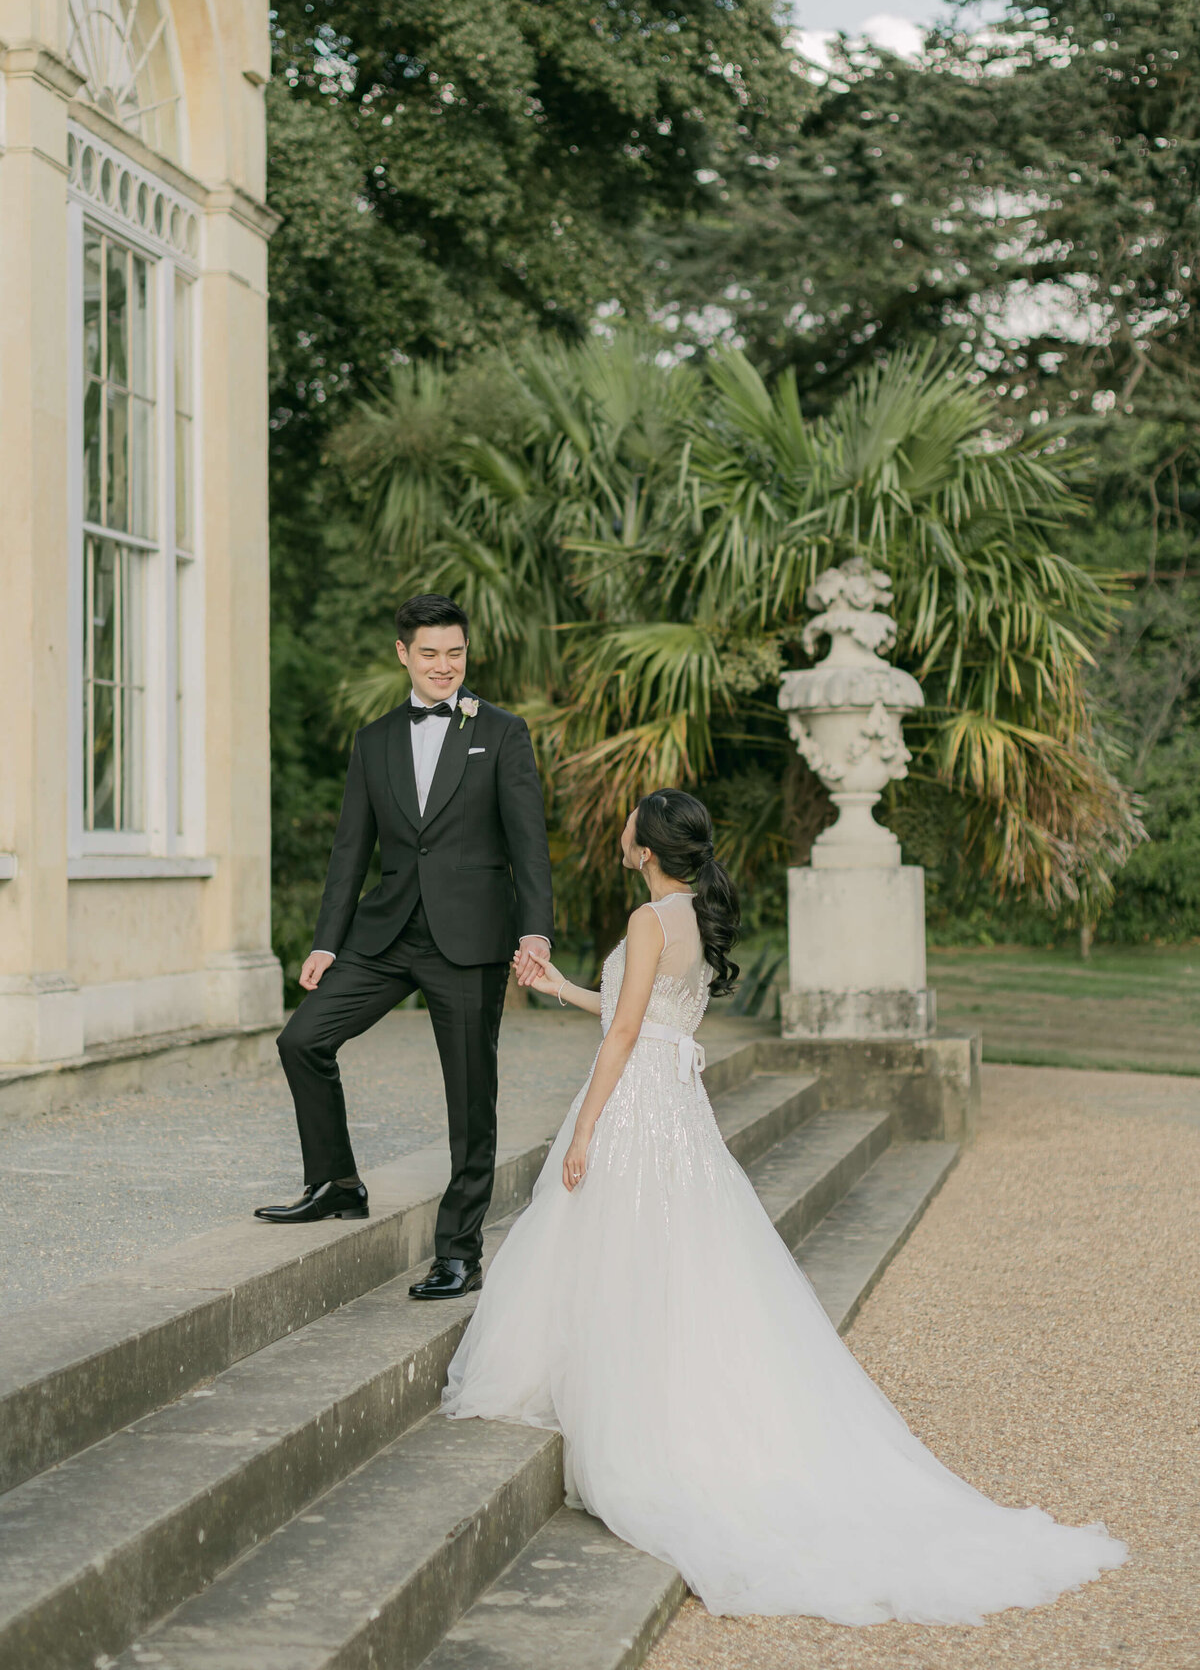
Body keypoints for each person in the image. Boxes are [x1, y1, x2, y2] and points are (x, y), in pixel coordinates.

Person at [442, 787, 1128, 1621]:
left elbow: (625, 1036)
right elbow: (642, 1014)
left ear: (648, 848)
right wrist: (558, 986)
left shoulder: (645, 921)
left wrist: (584, 1127)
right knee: (677, 1250)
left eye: (630, 825)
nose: (622, 831)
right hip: (674, 1102)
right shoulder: (686, 917)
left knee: (620, 1243)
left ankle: (637, 1401)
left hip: (635, 1102)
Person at [256, 594, 555, 1302]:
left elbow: (528, 844)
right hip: (385, 934)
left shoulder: (504, 734)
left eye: (455, 652)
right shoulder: (375, 740)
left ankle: (459, 1250)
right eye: (429, 653)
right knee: (303, 1040)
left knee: (469, 1099)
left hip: (470, 940)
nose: (444, 665)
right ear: (403, 654)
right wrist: (327, 942)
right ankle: (335, 1182)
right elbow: (349, 852)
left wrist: (535, 930)